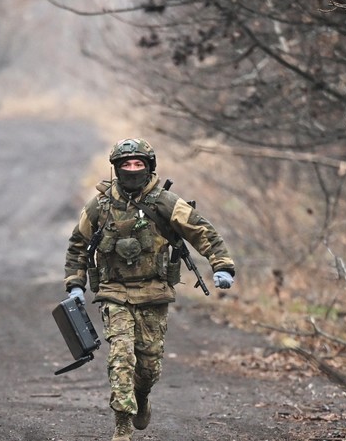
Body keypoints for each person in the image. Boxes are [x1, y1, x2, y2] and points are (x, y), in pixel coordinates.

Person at [63, 137, 236, 441]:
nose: (132, 169)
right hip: (113, 292)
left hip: (154, 293)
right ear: (116, 168)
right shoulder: (100, 206)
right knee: (121, 357)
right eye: (126, 164)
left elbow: (201, 230)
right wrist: (75, 284)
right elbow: (78, 244)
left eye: (137, 164)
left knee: (148, 367)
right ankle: (122, 427)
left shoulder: (164, 202)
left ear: (148, 167)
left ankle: (141, 397)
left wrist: (221, 265)